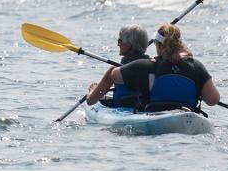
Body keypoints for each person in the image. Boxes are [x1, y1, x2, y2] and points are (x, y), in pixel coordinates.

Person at [86, 24, 220, 112]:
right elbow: (213, 100)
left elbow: (112, 74)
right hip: (186, 115)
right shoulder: (196, 66)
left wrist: (93, 91)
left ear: (159, 45)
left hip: (155, 116)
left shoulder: (146, 66)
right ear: (180, 44)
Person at [90, 25, 150, 108]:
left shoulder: (114, 71)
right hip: (148, 109)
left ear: (129, 44)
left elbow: (90, 101)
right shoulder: (156, 65)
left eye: (120, 40)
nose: (118, 44)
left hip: (123, 113)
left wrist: (93, 89)